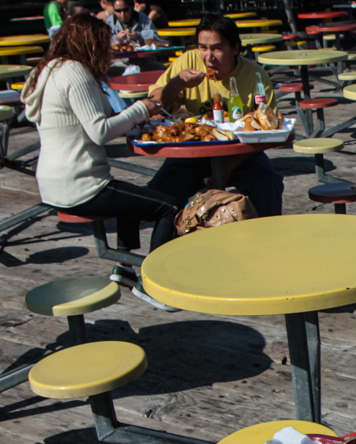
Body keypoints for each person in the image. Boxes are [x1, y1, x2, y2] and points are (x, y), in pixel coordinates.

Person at [21, 14, 180, 311]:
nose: (110, 50)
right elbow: (100, 132)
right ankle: (155, 284)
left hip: (54, 183)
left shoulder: (48, 70)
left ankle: (124, 267)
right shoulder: (76, 73)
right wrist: (141, 109)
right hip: (81, 184)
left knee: (134, 196)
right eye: (104, 44)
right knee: (169, 207)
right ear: (90, 44)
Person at [148, 14, 284, 217]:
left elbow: (266, 132)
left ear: (235, 48)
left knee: (269, 184)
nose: (208, 57)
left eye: (217, 48)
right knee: (160, 190)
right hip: (195, 150)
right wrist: (177, 84)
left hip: (241, 153)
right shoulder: (187, 63)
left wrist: (226, 168)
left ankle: (268, 242)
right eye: (203, 47)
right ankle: (161, 247)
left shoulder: (255, 76)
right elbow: (156, 103)